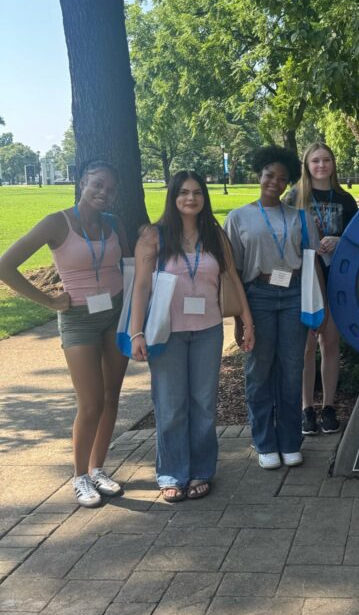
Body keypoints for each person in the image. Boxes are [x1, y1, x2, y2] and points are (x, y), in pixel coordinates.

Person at [0, 159, 129, 507]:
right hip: (78, 318)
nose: (104, 192)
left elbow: (129, 266)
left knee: (112, 396)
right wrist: (49, 301)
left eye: (110, 188)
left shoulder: (114, 223)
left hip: (115, 313)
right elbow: (4, 266)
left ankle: (98, 468)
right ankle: (80, 477)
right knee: (91, 403)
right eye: (98, 184)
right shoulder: (56, 223)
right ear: (83, 182)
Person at [130, 171, 254, 502]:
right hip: (165, 333)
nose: (191, 198)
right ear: (172, 197)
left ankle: (201, 469)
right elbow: (141, 286)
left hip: (208, 332)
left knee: (203, 403)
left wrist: (247, 321)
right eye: (183, 192)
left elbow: (232, 278)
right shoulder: (154, 236)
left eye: (197, 192)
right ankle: (172, 472)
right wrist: (135, 331)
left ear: (204, 198)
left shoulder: (214, 234)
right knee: (170, 404)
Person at [225, 145, 325, 470]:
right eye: (270, 175)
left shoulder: (301, 217)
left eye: (282, 178)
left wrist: (319, 309)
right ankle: (264, 441)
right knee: (259, 368)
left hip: (294, 294)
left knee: (292, 367)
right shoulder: (238, 217)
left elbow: (312, 264)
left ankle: (289, 440)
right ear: (260, 175)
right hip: (259, 295)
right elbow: (234, 273)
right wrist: (242, 319)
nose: (275, 182)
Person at [284, 142, 358, 436]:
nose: (321, 165)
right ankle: (306, 409)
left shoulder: (345, 199)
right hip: (304, 278)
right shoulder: (294, 196)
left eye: (326, 160)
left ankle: (328, 407)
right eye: (315, 160)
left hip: (336, 277)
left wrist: (340, 240)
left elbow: (358, 240)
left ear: (333, 164)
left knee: (329, 343)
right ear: (307, 164)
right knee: (305, 347)